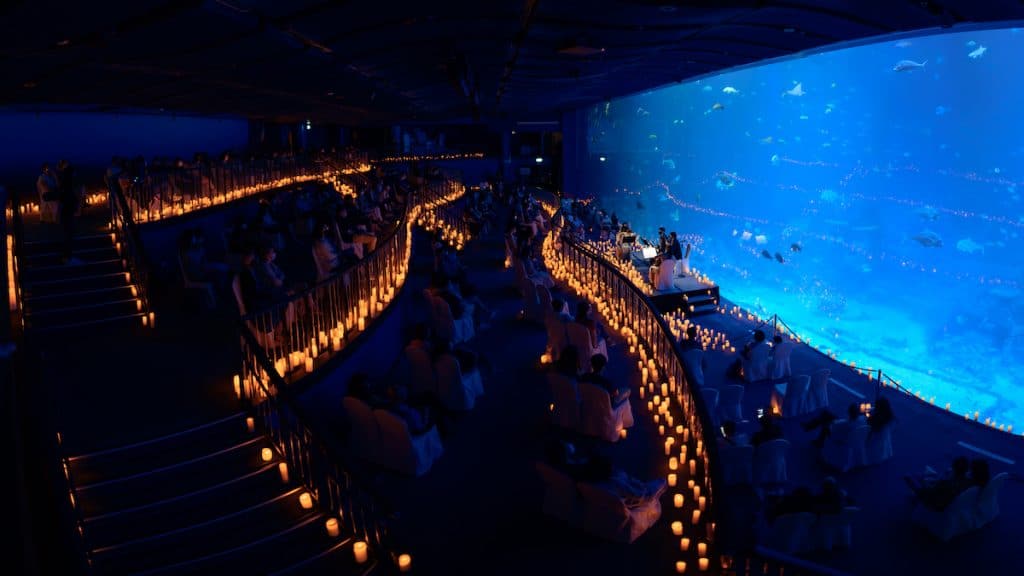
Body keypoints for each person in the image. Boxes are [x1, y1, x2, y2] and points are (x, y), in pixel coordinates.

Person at [905, 456, 972, 511]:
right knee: (930, 475)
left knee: (909, 477)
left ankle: (915, 498)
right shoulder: (967, 482)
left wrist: (926, 484)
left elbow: (931, 490)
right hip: (948, 499)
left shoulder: (946, 483)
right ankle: (927, 474)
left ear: (954, 468)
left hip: (936, 504)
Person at [56, 159, 81, 264]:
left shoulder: (66, 179)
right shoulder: (68, 179)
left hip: (67, 207)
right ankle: (67, 256)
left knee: (68, 231)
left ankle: (67, 256)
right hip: (68, 207)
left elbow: (64, 192)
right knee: (68, 231)